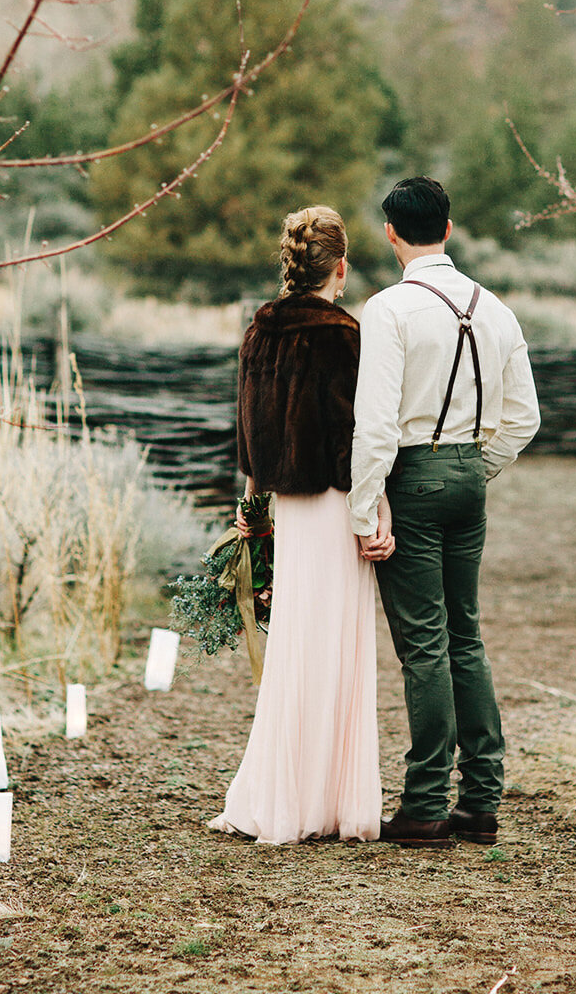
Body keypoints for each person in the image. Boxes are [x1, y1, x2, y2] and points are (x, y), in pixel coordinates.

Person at [348, 176, 540, 849]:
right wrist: (474, 469)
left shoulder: (388, 309)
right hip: (467, 477)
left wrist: (365, 507)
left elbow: (373, 425)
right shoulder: (496, 309)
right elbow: (524, 419)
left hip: (413, 480)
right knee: (466, 634)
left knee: (424, 644)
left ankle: (425, 805)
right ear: (449, 230)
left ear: (391, 233)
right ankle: (480, 800)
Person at [208, 205, 393, 845]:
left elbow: (249, 426)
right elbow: (356, 437)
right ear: (340, 267)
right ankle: (330, 799)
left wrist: (252, 500)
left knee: (296, 647)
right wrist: (376, 512)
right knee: (336, 648)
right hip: (338, 505)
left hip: (287, 506)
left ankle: (284, 795)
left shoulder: (258, 333)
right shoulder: (345, 336)